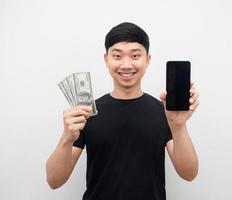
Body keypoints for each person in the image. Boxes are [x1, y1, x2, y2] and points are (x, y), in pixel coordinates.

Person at [46, 22, 200, 200]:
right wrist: (66, 137)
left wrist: (178, 125)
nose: (126, 65)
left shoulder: (164, 112)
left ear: (147, 60)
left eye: (135, 55)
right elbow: (54, 180)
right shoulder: (87, 113)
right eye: (117, 56)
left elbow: (189, 174)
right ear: (106, 59)